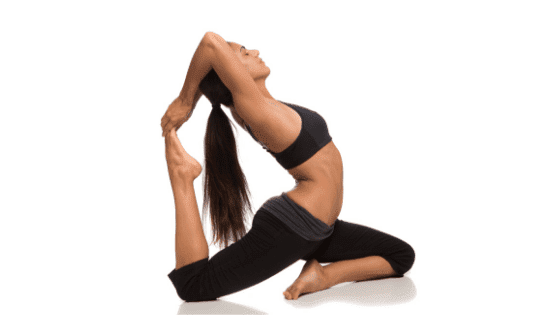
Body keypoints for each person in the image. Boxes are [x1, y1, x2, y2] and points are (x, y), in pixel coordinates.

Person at [160, 32, 415, 302]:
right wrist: (186, 101)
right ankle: (182, 176)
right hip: (292, 229)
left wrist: (199, 93)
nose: (255, 51)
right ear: (230, 73)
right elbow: (210, 43)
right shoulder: (254, 110)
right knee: (194, 286)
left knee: (400, 255)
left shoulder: (265, 105)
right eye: (243, 52)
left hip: (321, 230)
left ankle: (324, 276)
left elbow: (212, 65)